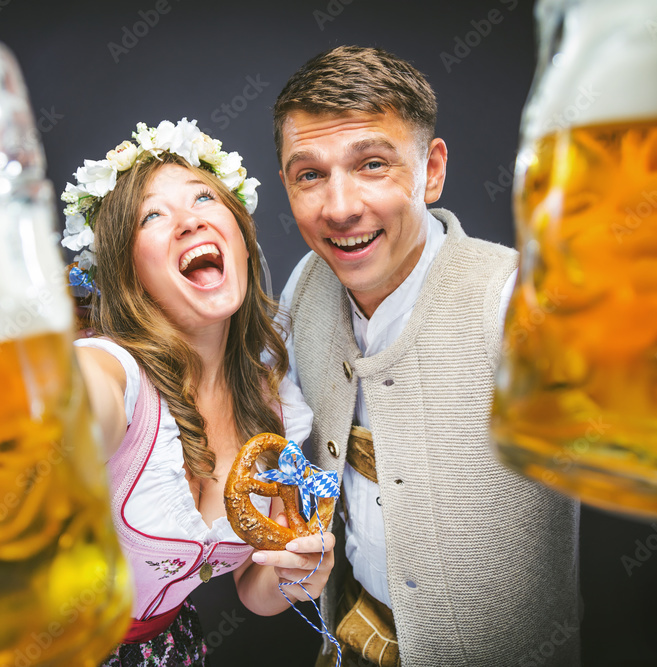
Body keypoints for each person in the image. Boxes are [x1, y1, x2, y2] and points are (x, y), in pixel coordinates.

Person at [272, 46, 581, 666]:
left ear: (431, 171)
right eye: (310, 174)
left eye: (372, 164)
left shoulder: (519, 300)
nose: (339, 207)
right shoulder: (305, 283)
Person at [60, 118, 336, 666]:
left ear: (239, 231)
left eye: (203, 197)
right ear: (127, 270)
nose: (188, 221)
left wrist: (301, 574)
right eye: (153, 216)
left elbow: (255, 589)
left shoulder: (273, 404)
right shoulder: (114, 372)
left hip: (171, 649)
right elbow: (76, 402)